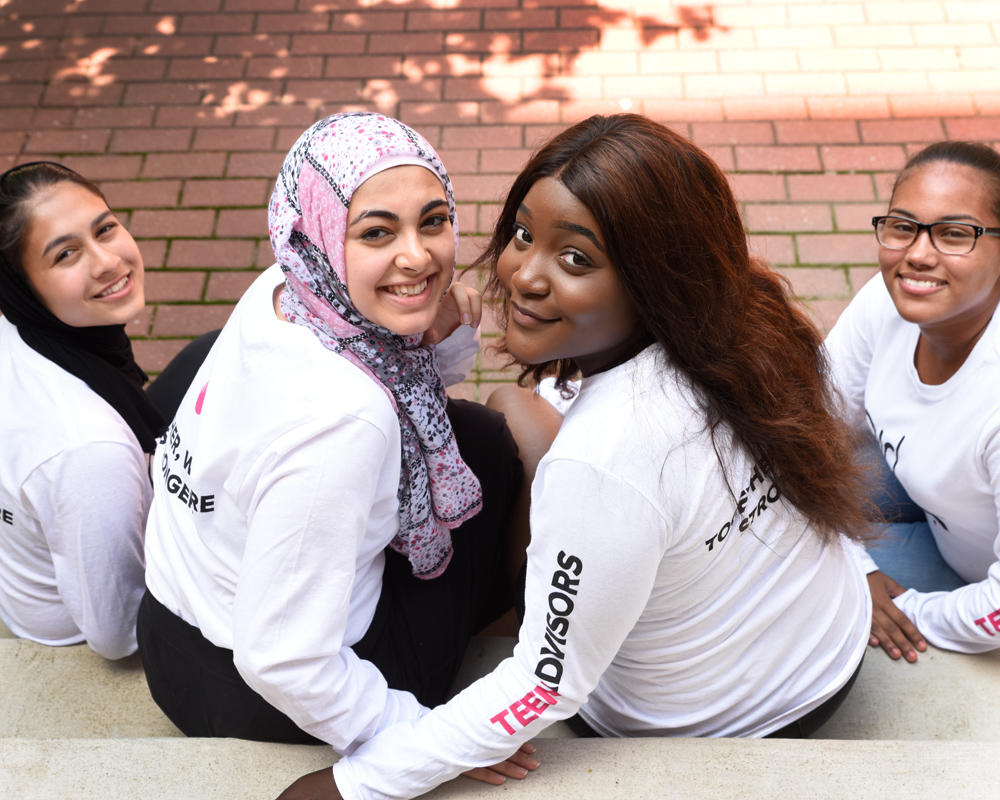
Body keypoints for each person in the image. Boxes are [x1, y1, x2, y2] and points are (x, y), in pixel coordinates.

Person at [275, 113, 874, 800]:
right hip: (830, 647)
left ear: (654, 277)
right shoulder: (746, 318)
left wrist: (355, 784)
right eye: (524, 234)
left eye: (576, 259)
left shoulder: (602, 463)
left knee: (513, 428)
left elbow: (544, 683)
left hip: (703, 722)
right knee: (514, 407)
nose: (524, 275)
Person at [137, 112, 533, 782]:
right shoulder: (346, 423)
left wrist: (431, 326)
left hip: (169, 624)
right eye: (377, 232)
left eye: (433, 221)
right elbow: (280, 660)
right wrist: (422, 737)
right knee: (490, 449)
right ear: (323, 234)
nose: (418, 256)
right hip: (264, 695)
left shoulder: (287, 286)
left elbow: (416, 391)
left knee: (469, 436)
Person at [825, 141, 1000, 662]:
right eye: (903, 227)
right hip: (929, 489)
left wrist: (903, 609)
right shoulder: (887, 299)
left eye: (955, 234)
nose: (918, 254)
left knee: (799, 593)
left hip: (972, 577)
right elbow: (805, 422)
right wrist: (857, 565)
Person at [0, 161, 166, 659]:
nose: (107, 262)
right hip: (71, 632)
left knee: (209, 356)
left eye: (105, 229)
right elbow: (119, 633)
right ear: (24, 287)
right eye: (66, 254)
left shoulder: (23, 331)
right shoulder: (89, 454)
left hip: (32, 562)